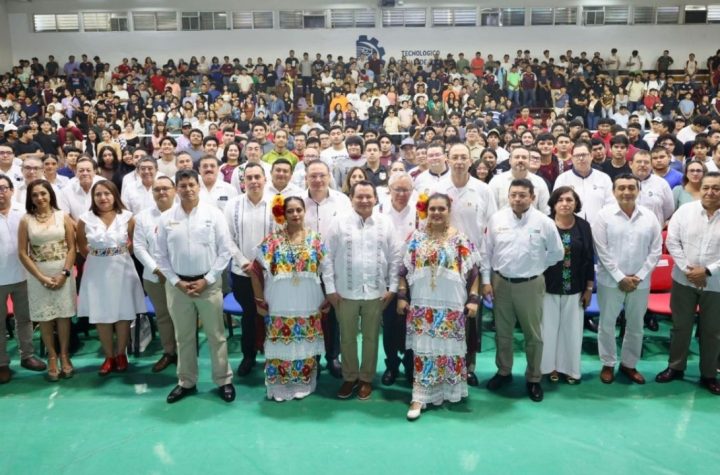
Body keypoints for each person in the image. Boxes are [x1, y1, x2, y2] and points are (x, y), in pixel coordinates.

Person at [155, 169, 235, 404]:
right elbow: (160, 256)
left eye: (191, 184)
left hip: (208, 285)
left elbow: (225, 250)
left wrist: (207, 279)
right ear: (176, 189)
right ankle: (186, 381)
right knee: (184, 336)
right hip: (177, 286)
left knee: (216, 335)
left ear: (198, 186)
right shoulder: (166, 218)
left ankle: (223, 380)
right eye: (183, 185)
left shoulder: (214, 214)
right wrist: (176, 281)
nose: (188, 189)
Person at [397, 193, 479, 420]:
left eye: (441, 209)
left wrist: (473, 300)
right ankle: (419, 396)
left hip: (452, 303)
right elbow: (403, 270)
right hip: (423, 304)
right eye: (432, 208)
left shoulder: (461, 239)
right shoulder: (416, 238)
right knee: (424, 350)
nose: (436, 213)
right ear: (426, 211)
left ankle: (447, 391)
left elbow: (474, 272)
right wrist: (402, 296)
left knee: (448, 350)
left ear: (449, 211)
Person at [483, 178, 564, 402]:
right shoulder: (497, 219)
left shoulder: (543, 222)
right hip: (501, 283)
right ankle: (504, 371)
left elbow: (557, 253)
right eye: (513, 195)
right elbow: (486, 253)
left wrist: (538, 266)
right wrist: (486, 281)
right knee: (503, 332)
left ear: (532, 197)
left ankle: (534, 378)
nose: (517, 199)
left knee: (533, 335)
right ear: (508, 196)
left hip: (531, 284)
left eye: (522, 195)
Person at [325, 180, 402, 400]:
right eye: (360, 196)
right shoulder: (338, 223)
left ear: (376, 199)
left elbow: (395, 257)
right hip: (345, 292)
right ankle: (350, 377)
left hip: (376, 292)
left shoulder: (385, 223)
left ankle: (366, 378)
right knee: (347, 338)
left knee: (370, 338)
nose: (364, 200)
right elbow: (327, 258)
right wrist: (330, 289)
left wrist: (393, 287)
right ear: (351, 198)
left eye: (369, 196)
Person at [249, 196, 331, 401]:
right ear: (283, 215)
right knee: (280, 341)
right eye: (290, 211)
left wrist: (329, 297)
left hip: (309, 299)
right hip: (280, 300)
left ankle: (303, 381)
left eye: (299, 210)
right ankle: (280, 385)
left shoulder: (316, 239)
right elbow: (254, 269)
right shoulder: (273, 239)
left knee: (305, 341)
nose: (295, 214)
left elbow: (328, 271)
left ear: (305, 212)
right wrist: (259, 301)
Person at [592, 174, 662, 385]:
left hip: (640, 282)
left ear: (638, 191)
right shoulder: (603, 216)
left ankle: (629, 364)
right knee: (607, 323)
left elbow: (656, 250)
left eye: (631, 187)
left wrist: (639, 276)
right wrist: (620, 277)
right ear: (614, 192)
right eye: (621, 188)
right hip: (610, 281)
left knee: (635, 325)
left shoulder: (649, 217)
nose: (626, 192)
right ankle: (608, 363)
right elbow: (601, 250)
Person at [656, 172, 720, 395]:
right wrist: (687, 270)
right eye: (706, 187)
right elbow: (672, 241)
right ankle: (676, 367)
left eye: (716, 188)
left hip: (716, 285)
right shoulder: (685, 211)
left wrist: (708, 271)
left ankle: (709, 374)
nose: (710, 192)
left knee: (712, 331)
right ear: (699, 189)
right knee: (680, 326)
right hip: (683, 280)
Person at [76, 180, 147, 375]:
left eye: (107, 193)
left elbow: (136, 242)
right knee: (102, 314)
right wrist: (99, 256)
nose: (103, 198)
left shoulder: (127, 217)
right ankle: (109, 356)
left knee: (123, 314)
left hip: (123, 268)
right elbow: (81, 246)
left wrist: (120, 252)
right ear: (93, 198)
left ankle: (121, 353)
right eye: (98, 194)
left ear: (114, 195)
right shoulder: (85, 219)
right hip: (97, 271)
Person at [17, 180, 76, 381]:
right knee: (44, 317)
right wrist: (41, 277)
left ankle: (65, 355)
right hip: (38, 275)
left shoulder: (63, 216)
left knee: (63, 316)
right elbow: (22, 253)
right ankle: (51, 356)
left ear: (50, 194)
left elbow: (71, 248)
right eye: (35, 195)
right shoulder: (26, 220)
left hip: (63, 272)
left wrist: (64, 273)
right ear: (30, 198)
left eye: (43, 193)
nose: (40, 198)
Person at [541, 187, 595, 385]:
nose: (565, 203)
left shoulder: (583, 226)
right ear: (554, 203)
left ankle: (570, 369)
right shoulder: (544, 224)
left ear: (576, 203)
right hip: (547, 287)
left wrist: (589, 288)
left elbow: (589, 258)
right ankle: (550, 367)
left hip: (575, 287)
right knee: (548, 329)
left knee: (572, 331)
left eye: (569, 200)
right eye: (560, 200)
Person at [225, 163, 275, 376]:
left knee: (273, 316)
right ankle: (249, 356)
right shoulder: (233, 205)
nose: (254, 181)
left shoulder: (277, 203)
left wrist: (264, 262)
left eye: (258, 177)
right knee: (248, 316)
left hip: (271, 273)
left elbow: (281, 235)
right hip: (242, 272)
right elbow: (226, 238)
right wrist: (243, 261)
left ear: (265, 180)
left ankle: (274, 356)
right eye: (249, 177)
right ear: (242, 181)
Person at [303, 160, 351, 378]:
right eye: (313, 176)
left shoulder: (342, 201)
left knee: (333, 315)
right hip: (306, 270)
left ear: (329, 175)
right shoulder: (297, 201)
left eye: (322, 175)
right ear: (306, 178)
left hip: (334, 267)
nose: (318, 180)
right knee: (309, 314)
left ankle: (333, 356)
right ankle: (311, 357)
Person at [0, 174, 47, 383]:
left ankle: (27, 355)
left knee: (25, 319)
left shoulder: (24, 213)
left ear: (11, 190)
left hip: (23, 274)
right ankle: (2, 363)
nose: (0, 193)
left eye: (3, 188)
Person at [132, 176, 178, 373]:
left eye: (166, 188)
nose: (162, 193)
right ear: (152, 193)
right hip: (154, 277)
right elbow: (139, 247)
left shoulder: (182, 212)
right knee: (163, 316)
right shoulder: (143, 217)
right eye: (157, 189)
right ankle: (169, 352)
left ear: (174, 190)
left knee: (184, 316)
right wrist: (155, 269)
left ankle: (186, 353)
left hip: (181, 276)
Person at [379, 172, 417, 386]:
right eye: (397, 189)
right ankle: (392, 365)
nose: (402, 194)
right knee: (391, 324)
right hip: (387, 277)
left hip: (414, 279)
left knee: (413, 324)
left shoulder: (422, 212)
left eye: (406, 190)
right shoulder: (379, 211)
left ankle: (412, 366)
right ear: (389, 190)